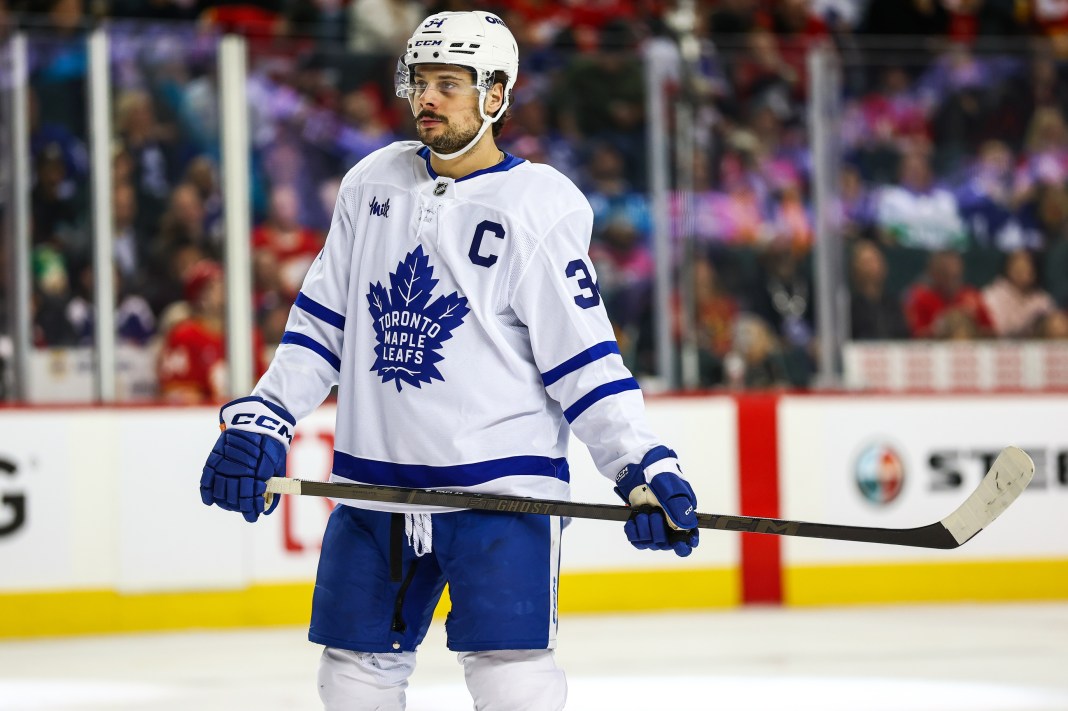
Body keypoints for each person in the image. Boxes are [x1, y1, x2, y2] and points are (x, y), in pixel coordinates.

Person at [197, 11, 699, 711]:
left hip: (499, 492)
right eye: (419, 81)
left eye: (449, 84)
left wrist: (641, 465)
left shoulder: (537, 207)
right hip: (376, 488)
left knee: (512, 673)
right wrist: (265, 416)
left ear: (496, 95)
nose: (426, 98)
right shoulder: (372, 184)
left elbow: (584, 362)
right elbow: (321, 325)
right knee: (352, 672)